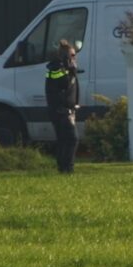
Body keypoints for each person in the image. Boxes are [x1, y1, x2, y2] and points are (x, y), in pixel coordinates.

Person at [44, 38, 81, 173]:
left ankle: (63, 168)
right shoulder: (56, 68)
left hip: (66, 110)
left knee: (64, 140)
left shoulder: (66, 68)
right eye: (72, 55)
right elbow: (62, 83)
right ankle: (67, 168)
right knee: (72, 139)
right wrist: (70, 70)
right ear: (65, 56)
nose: (74, 58)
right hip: (60, 111)